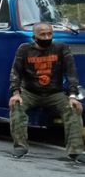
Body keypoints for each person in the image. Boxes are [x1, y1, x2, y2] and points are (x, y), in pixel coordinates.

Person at [9, 22, 85, 163]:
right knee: (16, 106)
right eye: (42, 34)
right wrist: (16, 93)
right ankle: (20, 147)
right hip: (30, 92)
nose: (46, 37)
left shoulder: (61, 48)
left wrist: (73, 96)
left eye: (49, 34)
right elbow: (16, 72)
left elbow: (71, 72)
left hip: (54, 93)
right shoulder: (24, 49)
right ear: (34, 37)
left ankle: (75, 151)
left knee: (73, 109)